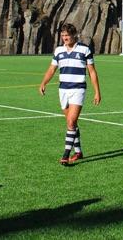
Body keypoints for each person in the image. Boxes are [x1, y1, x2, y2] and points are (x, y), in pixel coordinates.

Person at [39, 23, 101, 165]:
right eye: (63, 36)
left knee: (71, 122)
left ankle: (66, 155)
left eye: (67, 35)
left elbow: (92, 71)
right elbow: (51, 69)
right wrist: (43, 83)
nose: (65, 38)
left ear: (74, 35)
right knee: (71, 123)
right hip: (63, 90)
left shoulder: (84, 50)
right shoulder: (59, 50)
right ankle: (78, 151)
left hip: (78, 89)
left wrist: (97, 92)